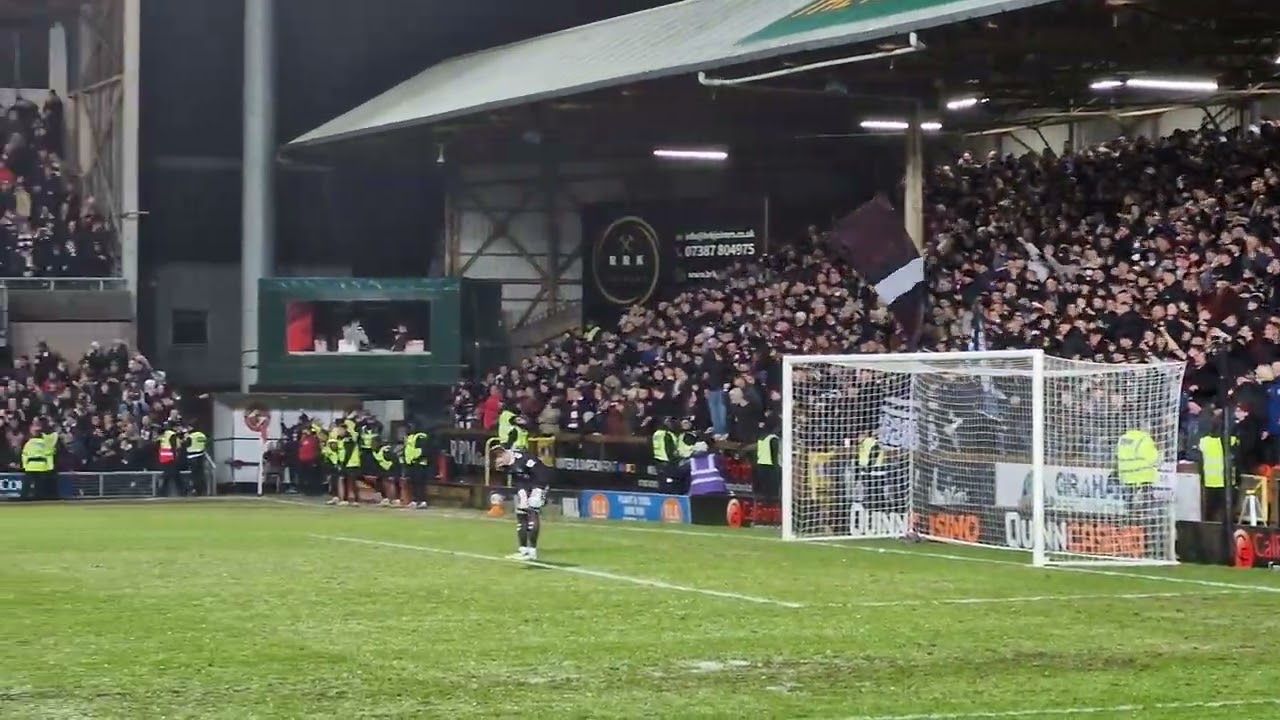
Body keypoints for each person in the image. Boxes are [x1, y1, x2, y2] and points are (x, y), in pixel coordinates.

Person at [490, 445, 553, 561]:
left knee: (533, 508)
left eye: (500, 455)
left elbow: (542, 474)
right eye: (497, 457)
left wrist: (538, 491)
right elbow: (518, 482)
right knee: (521, 512)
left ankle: (532, 551)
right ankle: (523, 550)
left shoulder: (523, 458)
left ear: (506, 453)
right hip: (527, 485)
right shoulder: (507, 467)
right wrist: (523, 497)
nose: (499, 459)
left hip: (540, 483)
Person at [402, 425, 432, 509]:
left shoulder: (421, 436)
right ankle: (415, 500)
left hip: (419, 463)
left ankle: (422, 501)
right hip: (411, 463)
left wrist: (415, 458)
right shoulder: (409, 437)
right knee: (413, 482)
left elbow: (422, 450)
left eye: (410, 427)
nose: (408, 430)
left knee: (420, 483)